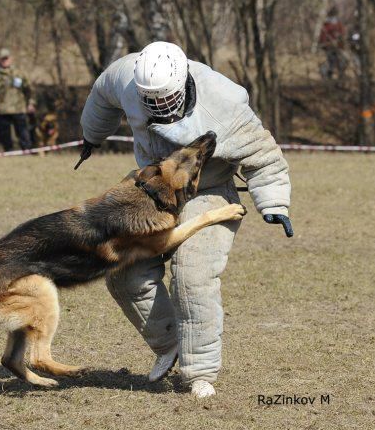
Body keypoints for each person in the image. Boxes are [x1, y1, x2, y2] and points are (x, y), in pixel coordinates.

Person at [78, 41, 293, 398]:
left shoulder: (224, 104)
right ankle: (169, 344)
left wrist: (274, 203)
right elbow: (101, 92)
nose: (157, 106)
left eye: (164, 99)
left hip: (207, 188)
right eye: (151, 100)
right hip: (149, 188)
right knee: (121, 270)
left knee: (193, 276)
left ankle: (199, 373)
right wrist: (92, 134)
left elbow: (264, 156)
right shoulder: (126, 75)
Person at [0, 48, 36, 151]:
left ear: (11, 59)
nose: (5, 61)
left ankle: (27, 151)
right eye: (2, 59)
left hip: (19, 108)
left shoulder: (19, 73)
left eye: (6, 58)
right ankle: (9, 153)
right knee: (4, 136)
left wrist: (31, 103)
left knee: (23, 134)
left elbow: (30, 89)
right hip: (2, 110)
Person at [318, 6, 347, 79]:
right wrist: (325, 44)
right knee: (331, 62)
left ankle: (341, 75)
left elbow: (343, 34)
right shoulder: (327, 24)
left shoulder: (339, 24)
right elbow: (323, 37)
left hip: (338, 46)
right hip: (329, 47)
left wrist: (341, 42)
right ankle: (329, 76)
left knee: (343, 60)